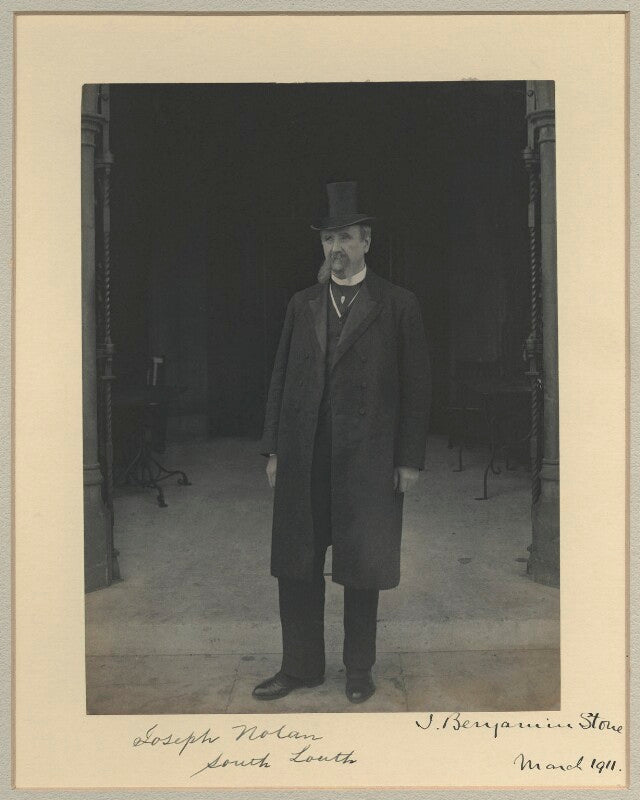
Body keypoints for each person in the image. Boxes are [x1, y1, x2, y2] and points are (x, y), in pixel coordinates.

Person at [254, 181, 431, 704]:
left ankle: (358, 670)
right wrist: (274, 448)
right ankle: (300, 667)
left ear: (367, 242)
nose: (338, 248)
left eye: (347, 237)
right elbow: (280, 376)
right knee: (297, 563)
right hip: (304, 454)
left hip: (367, 458)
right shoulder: (302, 304)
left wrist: (408, 459)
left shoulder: (397, 304)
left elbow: (417, 387)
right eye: (329, 239)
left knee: (362, 564)